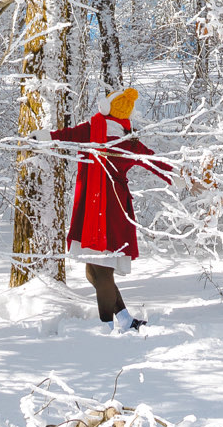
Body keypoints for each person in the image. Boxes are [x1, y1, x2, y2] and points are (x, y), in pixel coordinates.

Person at [45, 86, 172, 333]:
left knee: (101, 271)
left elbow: (64, 135)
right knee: (92, 272)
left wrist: (42, 137)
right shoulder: (127, 139)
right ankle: (124, 319)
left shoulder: (98, 131)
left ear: (106, 108)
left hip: (104, 210)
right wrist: (176, 175)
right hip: (106, 209)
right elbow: (154, 161)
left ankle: (106, 327)